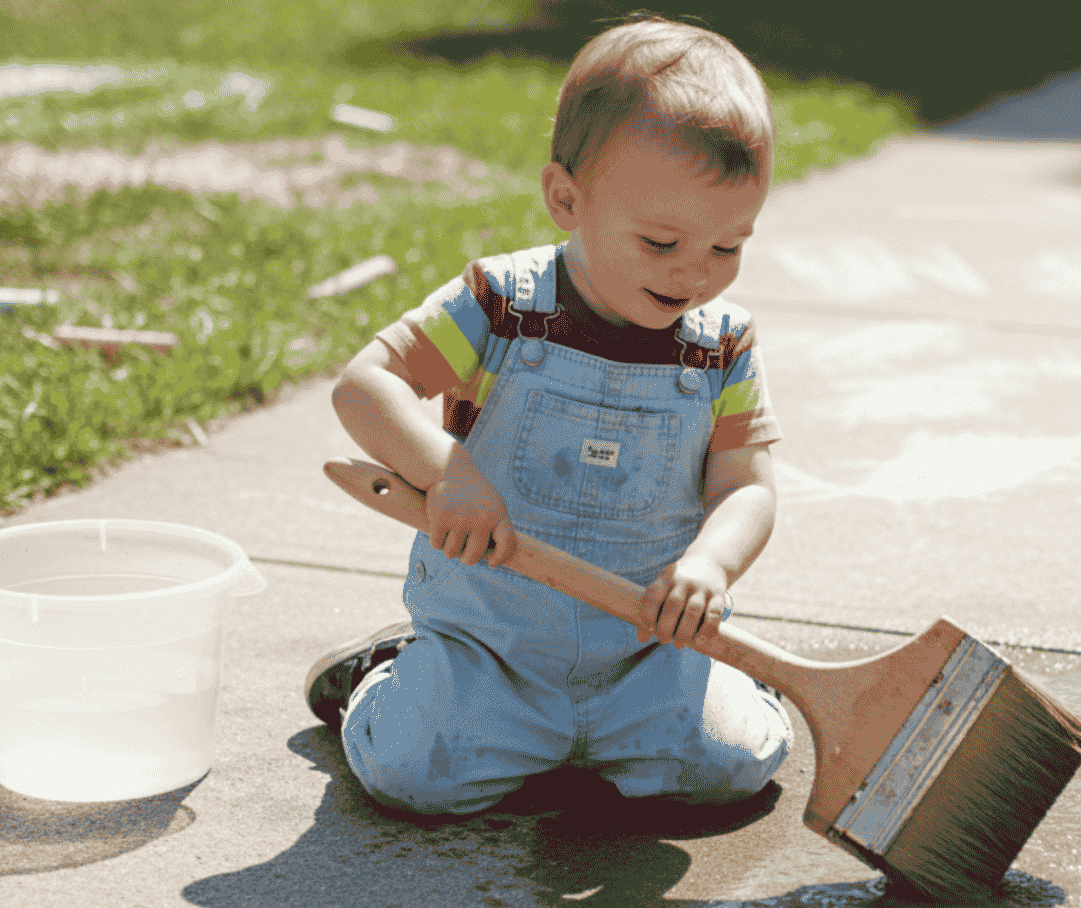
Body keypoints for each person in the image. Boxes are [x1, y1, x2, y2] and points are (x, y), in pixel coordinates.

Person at [305, 16, 792, 818]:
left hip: (648, 656)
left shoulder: (722, 347)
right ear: (566, 198)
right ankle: (383, 675)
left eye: (728, 246)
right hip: (488, 652)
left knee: (730, 763)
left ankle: (720, 696)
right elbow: (366, 384)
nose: (696, 273)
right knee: (413, 770)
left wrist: (711, 564)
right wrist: (448, 473)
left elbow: (749, 487)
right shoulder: (500, 307)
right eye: (663, 242)